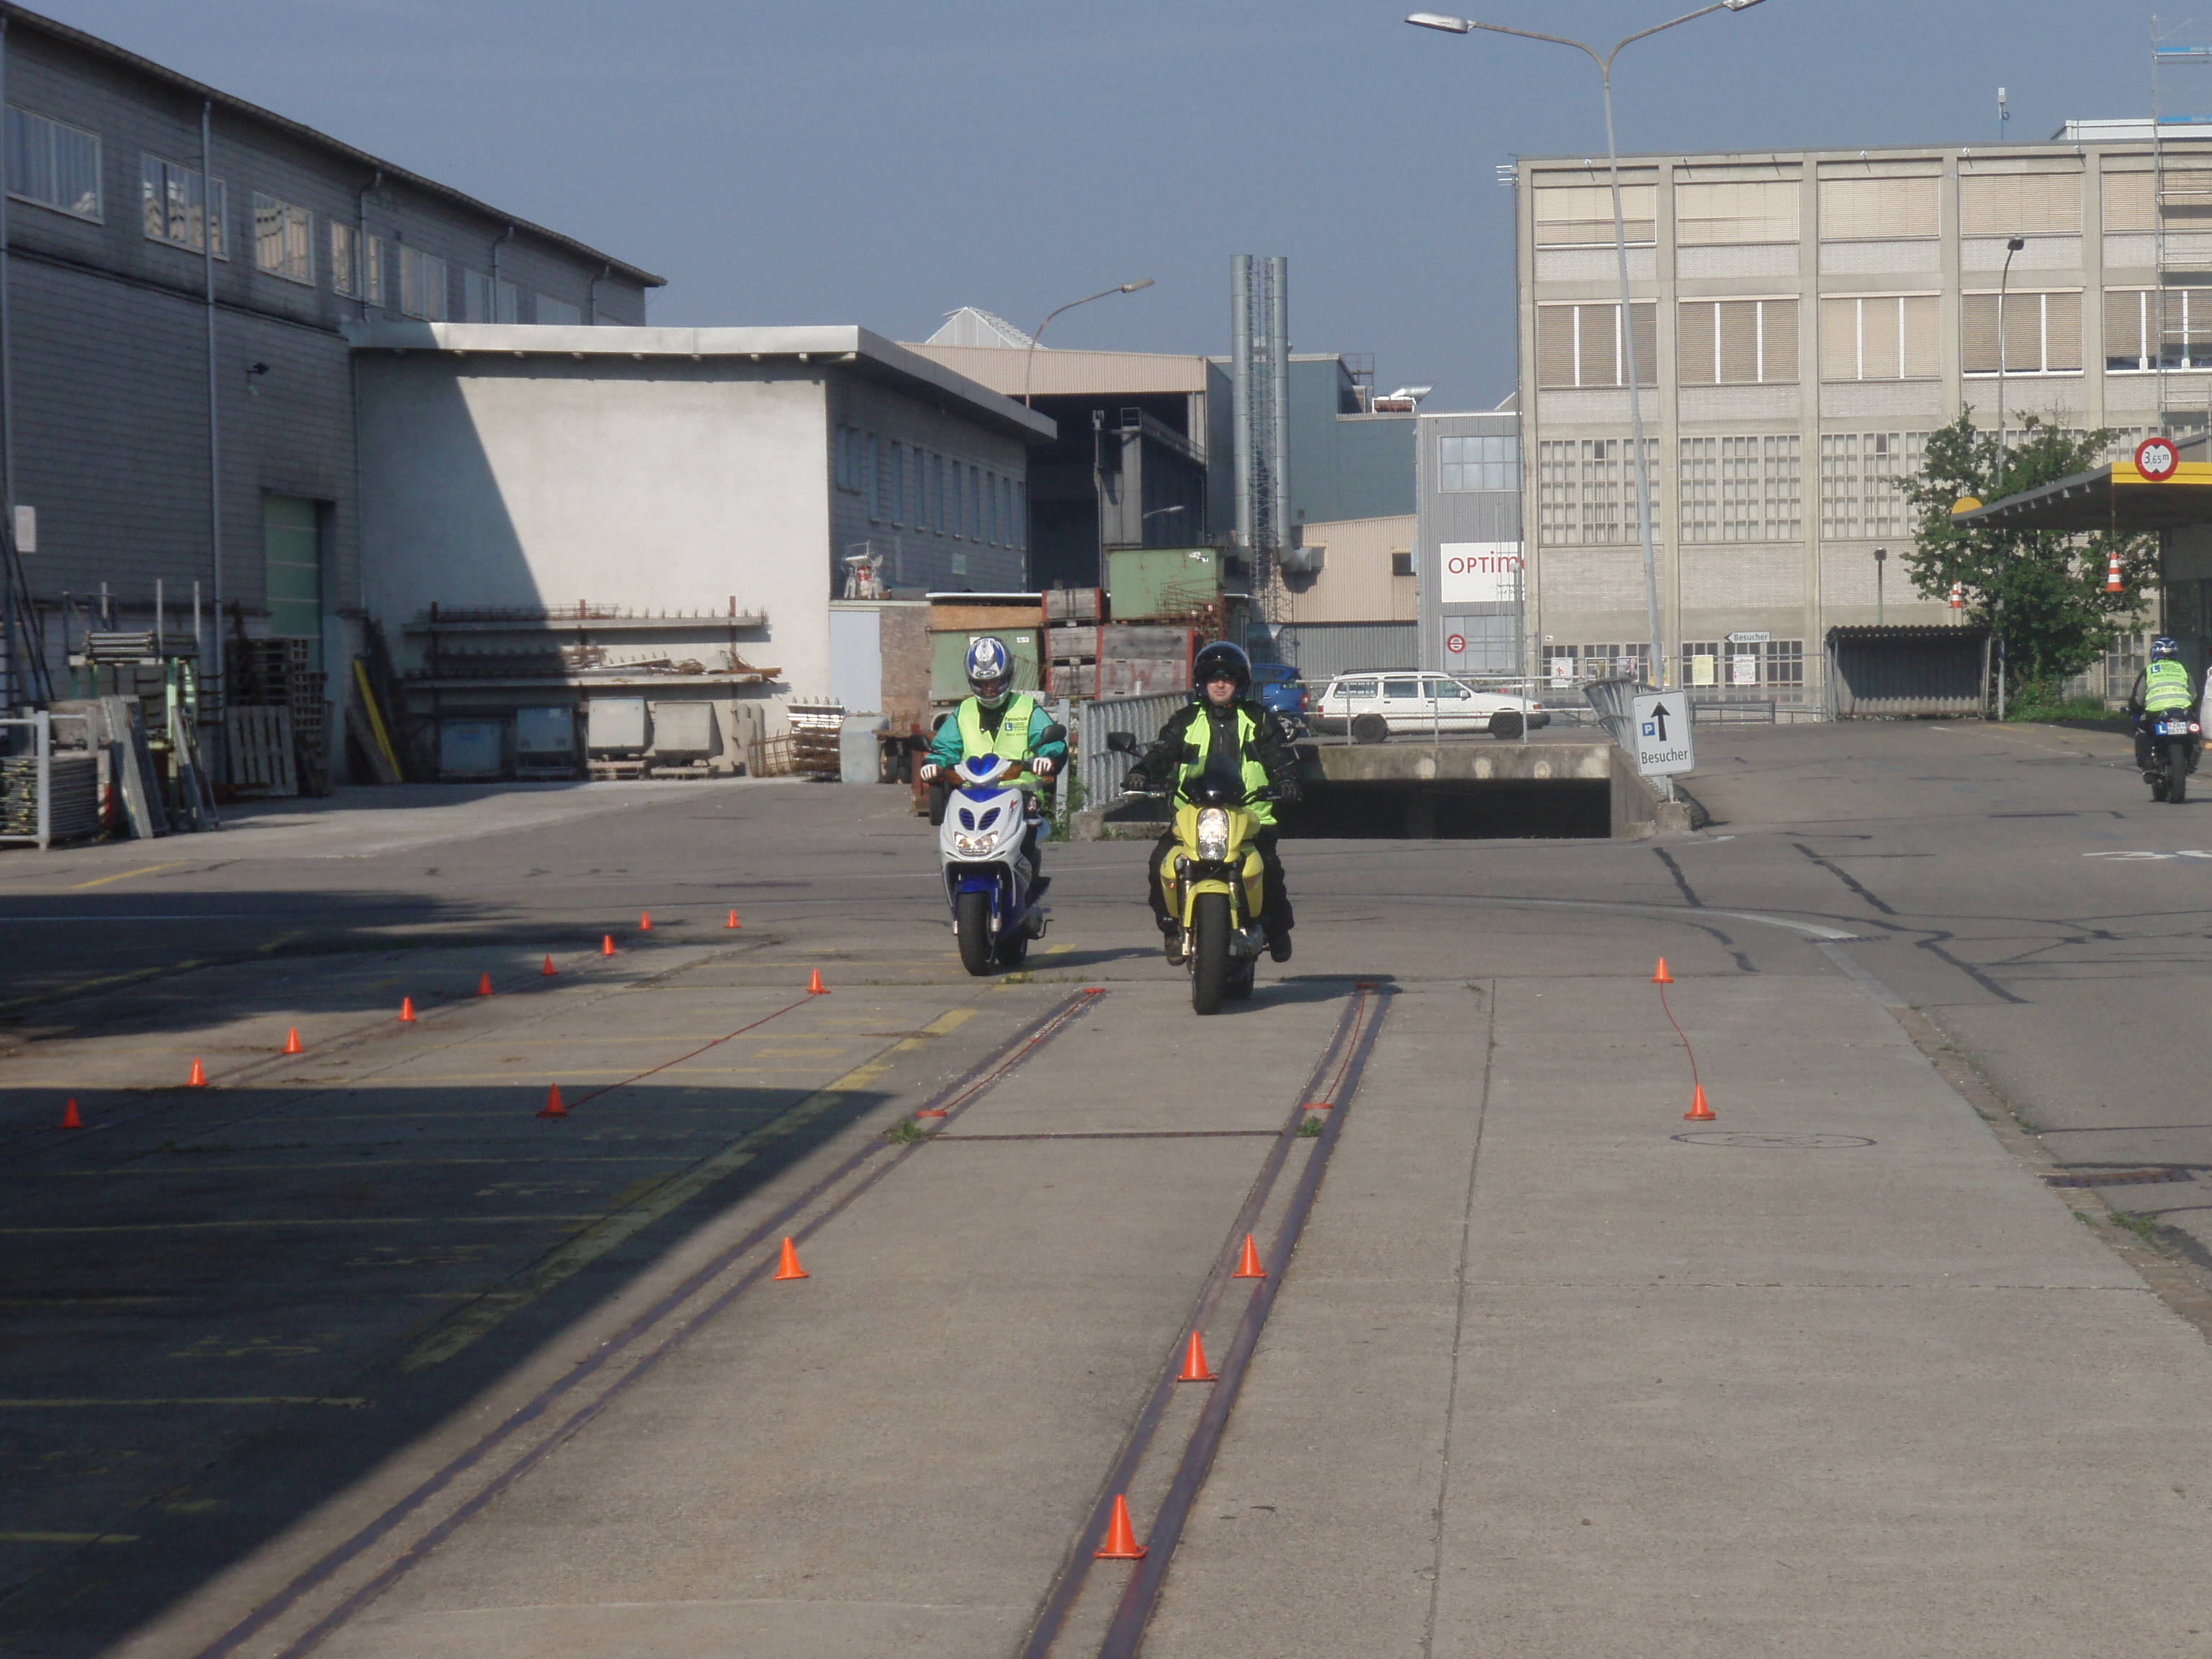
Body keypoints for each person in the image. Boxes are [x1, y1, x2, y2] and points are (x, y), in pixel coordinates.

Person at [1122, 640, 1301, 963]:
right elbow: (1162, 751)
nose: (1220, 684)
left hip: (1250, 814)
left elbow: (1282, 756)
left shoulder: (1258, 719)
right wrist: (1141, 772)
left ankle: (1278, 929)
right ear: (1201, 683)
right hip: (1194, 813)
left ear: (1240, 683)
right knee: (1160, 864)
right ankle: (1171, 929)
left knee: (1269, 868)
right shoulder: (1186, 720)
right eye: (1213, 677)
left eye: (1228, 678)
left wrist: (1288, 779)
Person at [920, 636, 1066, 871]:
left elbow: (1052, 741)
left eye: (995, 682)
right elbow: (944, 747)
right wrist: (934, 762)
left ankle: (1027, 888)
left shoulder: (1026, 707)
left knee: (1028, 839)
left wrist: (1047, 758)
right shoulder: (963, 712)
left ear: (1007, 676)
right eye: (981, 683)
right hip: (972, 795)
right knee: (952, 838)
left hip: (1020, 793)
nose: (989, 689)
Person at [2126, 634, 2198, 775]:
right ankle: (2191, 761)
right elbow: (2194, 695)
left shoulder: (2150, 670)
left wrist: (2133, 709)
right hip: (2183, 711)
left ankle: (2147, 763)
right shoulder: (2183, 669)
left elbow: (2138, 699)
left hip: (2156, 712)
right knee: (2194, 731)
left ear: (2154, 653)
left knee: (2142, 730)